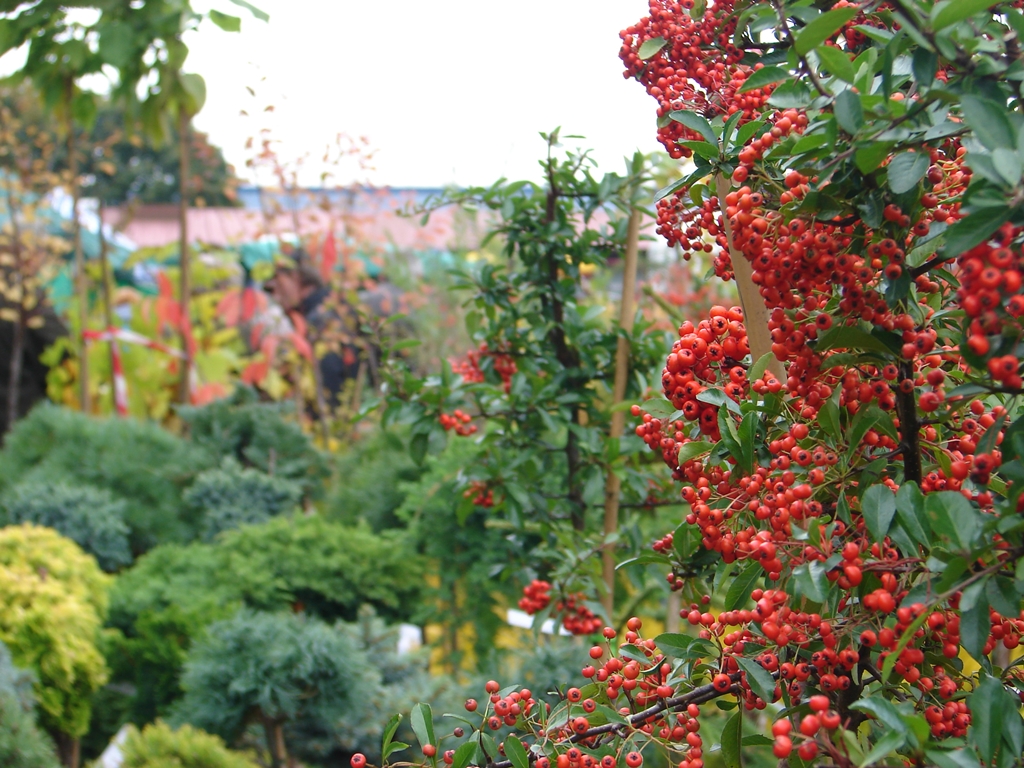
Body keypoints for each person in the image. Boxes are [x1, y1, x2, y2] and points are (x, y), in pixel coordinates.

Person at [263, 249, 361, 408]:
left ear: (295, 277)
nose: (275, 296)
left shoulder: (320, 320)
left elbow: (331, 377)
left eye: (275, 285)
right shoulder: (334, 305)